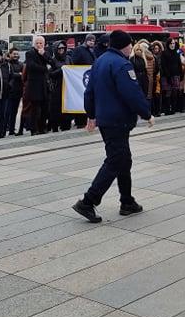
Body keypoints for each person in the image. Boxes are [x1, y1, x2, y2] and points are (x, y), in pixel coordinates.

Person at [72, 29, 153, 223]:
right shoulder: (122, 65)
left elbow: (89, 92)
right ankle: (88, 200)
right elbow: (131, 93)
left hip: (106, 120)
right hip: (119, 120)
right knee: (116, 160)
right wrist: (147, 113)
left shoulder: (99, 61)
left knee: (124, 160)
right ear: (125, 46)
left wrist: (91, 115)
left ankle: (127, 201)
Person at [25, 35, 51, 135]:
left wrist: (44, 55)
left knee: (45, 108)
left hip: (44, 84)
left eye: (41, 43)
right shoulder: (30, 53)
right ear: (34, 44)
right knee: (35, 109)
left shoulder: (46, 53)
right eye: (37, 43)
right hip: (34, 85)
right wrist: (44, 68)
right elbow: (31, 66)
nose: (39, 45)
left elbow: (51, 62)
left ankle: (42, 127)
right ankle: (34, 129)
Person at [48, 41, 72, 132]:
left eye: (63, 48)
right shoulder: (52, 60)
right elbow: (50, 74)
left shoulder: (68, 58)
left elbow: (73, 69)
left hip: (68, 87)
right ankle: (54, 126)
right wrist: (61, 70)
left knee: (67, 107)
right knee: (56, 108)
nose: (61, 50)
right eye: (59, 48)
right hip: (57, 86)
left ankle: (66, 125)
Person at [159, 39, 184, 114]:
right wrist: (167, 76)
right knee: (167, 92)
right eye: (171, 43)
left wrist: (180, 74)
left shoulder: (177, 52)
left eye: (173, 43)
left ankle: (173, 108)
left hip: (176, 75)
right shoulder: (164, 53)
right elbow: (163, 65)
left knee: (175, 92)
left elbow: (179, 63)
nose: (172, 45)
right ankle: (167, 109)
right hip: (166, 76)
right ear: (168, 44)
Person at [7, 47, 24, 136]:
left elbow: (23, 74)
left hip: (18, 91)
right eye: (14, 54)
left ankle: (11, 129)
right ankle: (8, 127)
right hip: (9, 91)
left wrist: (18, 75)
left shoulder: (21, 64)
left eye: (17, 54)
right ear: (10, 54)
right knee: (8, 111)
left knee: (14, 111)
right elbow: (10, 74)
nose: (16, 55)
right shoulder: (7, 64)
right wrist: (19, 74)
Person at [148, 40, 164, 117]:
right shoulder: (152, 57)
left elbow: (158, 68)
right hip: (154, 78)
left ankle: (158, 110)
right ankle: (155, 110)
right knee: (154, 95)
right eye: (154, 49)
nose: (156, 50)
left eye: (157, 48)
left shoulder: (161, 56)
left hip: (158, 78)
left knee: (157, 95)